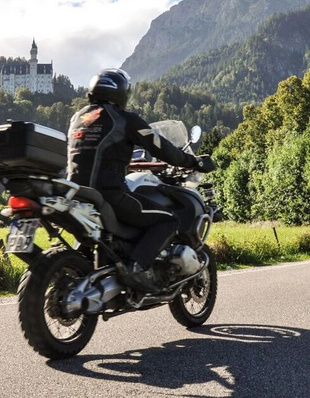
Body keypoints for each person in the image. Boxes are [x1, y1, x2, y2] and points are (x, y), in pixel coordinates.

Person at [66, 68, 215, 292]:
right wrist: (192, 161)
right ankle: (136, 268)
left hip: (75, 192)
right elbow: (161, 147)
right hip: (109, 193)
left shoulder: (79, 118)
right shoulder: (124, 120)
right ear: (122, 93)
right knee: (168, 220)